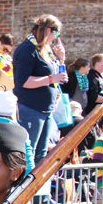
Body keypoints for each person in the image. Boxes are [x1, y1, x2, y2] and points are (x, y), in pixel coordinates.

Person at [13, 15, 68, 165]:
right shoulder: (27, 49)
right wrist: (51, 79)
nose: (56, 38)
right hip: (31, 108)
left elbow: (60, 77)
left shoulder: (45, 50)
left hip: (46, 109)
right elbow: (23, 81)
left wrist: (61, 59)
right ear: (49, 30)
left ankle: (38, 180)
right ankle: (26, 180)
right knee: (29, 151)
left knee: (41, 153)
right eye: (56, 33)